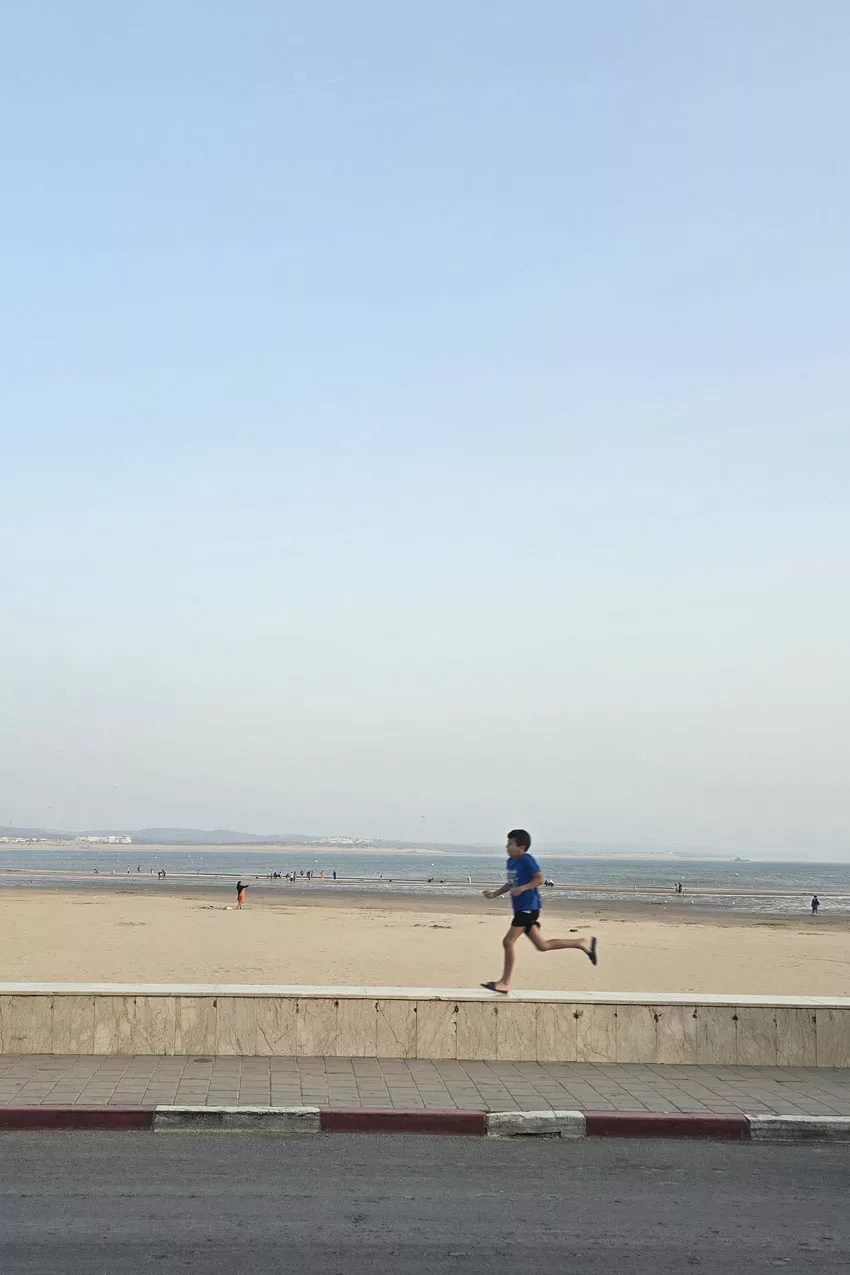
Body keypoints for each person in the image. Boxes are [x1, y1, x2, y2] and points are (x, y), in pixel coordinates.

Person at [481, 829, 597, 994]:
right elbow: (510, 884)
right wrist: (494, 894)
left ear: (522, 847)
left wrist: (523, 888)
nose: (507, 847)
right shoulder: (510, 862)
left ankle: (505, 983)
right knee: (542, 946)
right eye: (507, 843)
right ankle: (581, 943)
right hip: (522, 909)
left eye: (510, 844)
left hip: (528, 908)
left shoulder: (526, 860)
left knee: (508, 942)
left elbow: (539, 879)